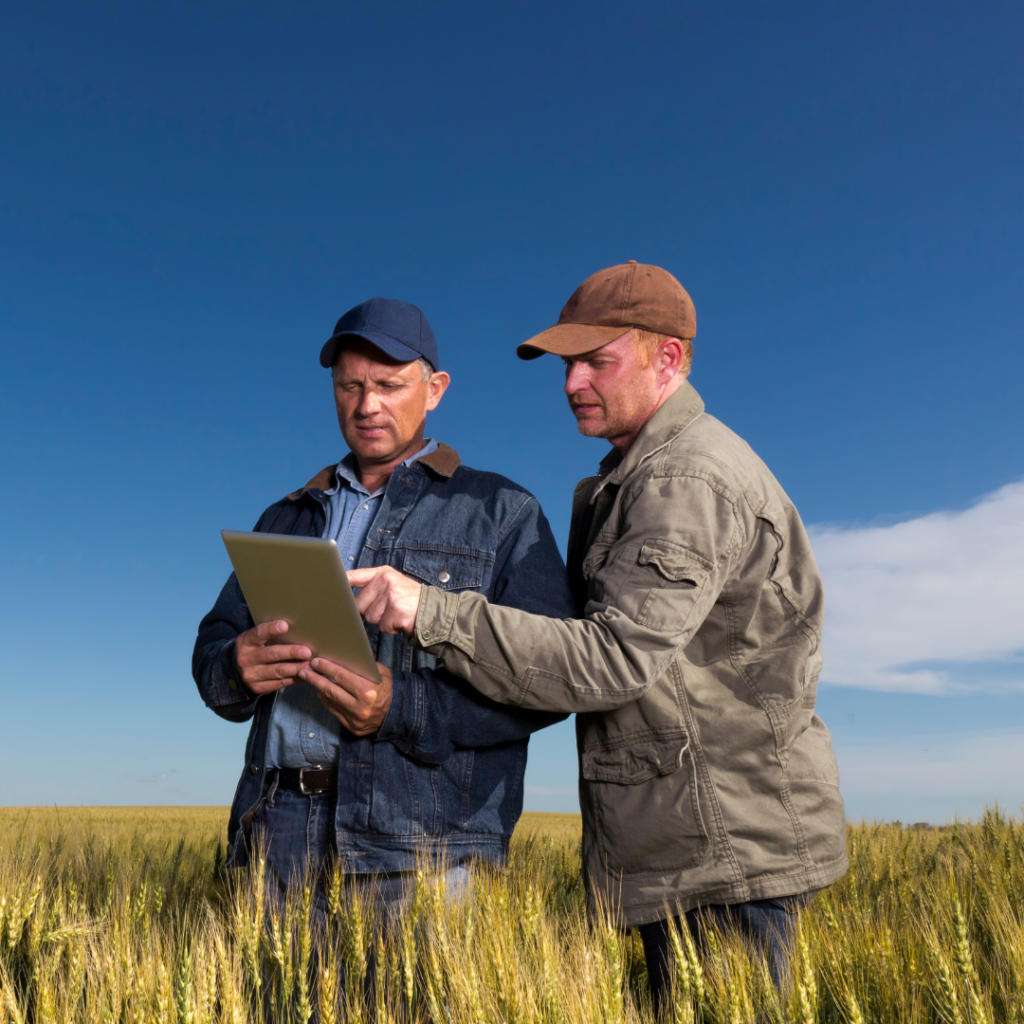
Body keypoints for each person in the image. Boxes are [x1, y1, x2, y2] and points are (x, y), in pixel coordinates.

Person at [343, 264, 848, 1000]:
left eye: (597, 361)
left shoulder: (686, 479)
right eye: (565, 363)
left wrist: (430, 609)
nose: (573, 381)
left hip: (723, 853)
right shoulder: (638, 475)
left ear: (668, 358)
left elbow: (613, 659)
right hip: (694, 842)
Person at [192, 296, 573, 910]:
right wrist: (235, 667)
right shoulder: (285, 516)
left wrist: (405, 706)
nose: (367, 405)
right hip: (276, 828)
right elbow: (213, 647)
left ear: (435, 389)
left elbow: (553, 681)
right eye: (350, 386)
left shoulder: (504, 513)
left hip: (423, 845)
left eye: (389, 385)